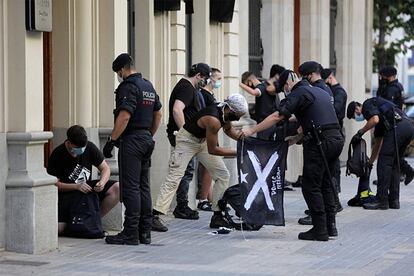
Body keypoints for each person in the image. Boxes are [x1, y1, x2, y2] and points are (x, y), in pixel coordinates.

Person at [242, 70, 344, 241]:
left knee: (311, 186)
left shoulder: (299, 93)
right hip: (336, 139)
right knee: (326, 184)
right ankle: (330, 226)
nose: (285, 92)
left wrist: (251, 130)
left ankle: (319, 230)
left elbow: (277, 116)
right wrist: (297, 138)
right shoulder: (318, 90)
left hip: (320, 143)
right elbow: (314, 117)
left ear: (288, 85)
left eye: (284, 89)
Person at [153, 94, 248, 230]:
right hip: (187, 141)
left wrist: (241, 139)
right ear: (230, 109)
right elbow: (213, 149)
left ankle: (217, 215)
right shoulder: (213, 119)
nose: (238, 118)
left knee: (222, 175)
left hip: (202, 141)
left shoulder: (224, 113)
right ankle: (154, 215)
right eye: (237, 114)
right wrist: (238, 152)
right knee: (175, 177)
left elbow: (228, 129)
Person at [103, 53, 162, 245]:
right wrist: (149, 134)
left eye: (118, 73)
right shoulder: (148, 86)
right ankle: (145, 232)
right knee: (143, 186)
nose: (118, 76)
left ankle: (130, 233)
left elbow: (124, 116)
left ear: (121, 69)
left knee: (130, 188)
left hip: (132, 141)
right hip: (146, 139)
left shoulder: (128, 87)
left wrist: (112, 140)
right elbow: (158, 113)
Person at [157, 63, 212, 227]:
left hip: (188, 137)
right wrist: (184, 133)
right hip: (183, 137)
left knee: (186, 171)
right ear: (199, 76)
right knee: (183, 172)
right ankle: (181, 206)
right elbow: (177, 110)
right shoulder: (186, 87)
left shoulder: (188, 87)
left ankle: (182, 205)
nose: (206, 82)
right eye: (205, 78)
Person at [47, 125, 120, 236]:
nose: (81, 150)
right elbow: (54, 184)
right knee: (58, 229)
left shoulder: (89, 147)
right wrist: (76, 186)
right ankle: (77, 225)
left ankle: (92, 222)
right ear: (69, 142)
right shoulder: (58, 154)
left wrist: (102, 182)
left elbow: (105, 168)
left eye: (83, 147)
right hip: (68, 194)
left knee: (117, 188)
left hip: (87, 192)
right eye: (77, 147)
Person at [346, 98, 414, 210]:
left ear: (358, 107)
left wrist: (360, 133)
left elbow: (375, 120)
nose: (357, 118)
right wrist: (370, 163)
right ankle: (393, 200)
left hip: (398, 128)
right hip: (408, 127)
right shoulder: (379, 112)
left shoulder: (367, 105)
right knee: (394, 164)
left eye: (354, 116)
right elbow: (378, 143)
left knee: (384, 163)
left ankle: (381, 200)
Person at [376, 65, 414, 185]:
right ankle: (403, 172)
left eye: (383, 76)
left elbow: (387, 106)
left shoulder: (392, 89)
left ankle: (406, 171)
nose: (382, 78)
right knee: (395, 153)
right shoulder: (397, 86)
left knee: (389, 153)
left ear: (390, 76)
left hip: (393, 123)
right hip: (398, 122)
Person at [197, 68, 222, 211]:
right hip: (207, 134)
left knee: (211, 168)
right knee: (209, 166)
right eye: (217, 78)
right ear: (209, 78)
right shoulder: (204, 95)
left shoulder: (210, 95)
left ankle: (211, 198)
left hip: (212, 133)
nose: (219, 82)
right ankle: (203, 198)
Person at [321, 68, 347, 196]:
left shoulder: (339, 92)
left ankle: (334, 195)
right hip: (332, 131)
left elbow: (335, 111)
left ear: (330, 78)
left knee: (333, 165)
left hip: (335, 131)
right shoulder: (333, 91)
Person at [239, 71, 280, 140]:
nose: (249, 86)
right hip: (271, 123)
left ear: (250, 81)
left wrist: (240, 84)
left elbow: (254, 92)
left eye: (247, 84)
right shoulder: (266, 86)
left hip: (264, 124)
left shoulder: (260, 87)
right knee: (270, 146)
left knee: (261, 147)